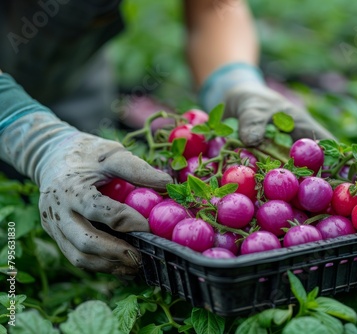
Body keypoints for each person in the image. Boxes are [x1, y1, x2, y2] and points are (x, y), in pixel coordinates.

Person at [0, 0, 332, 276]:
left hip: (72, 80)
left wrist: (233, 77)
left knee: (88, 203)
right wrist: (35, 139)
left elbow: (212, 7)